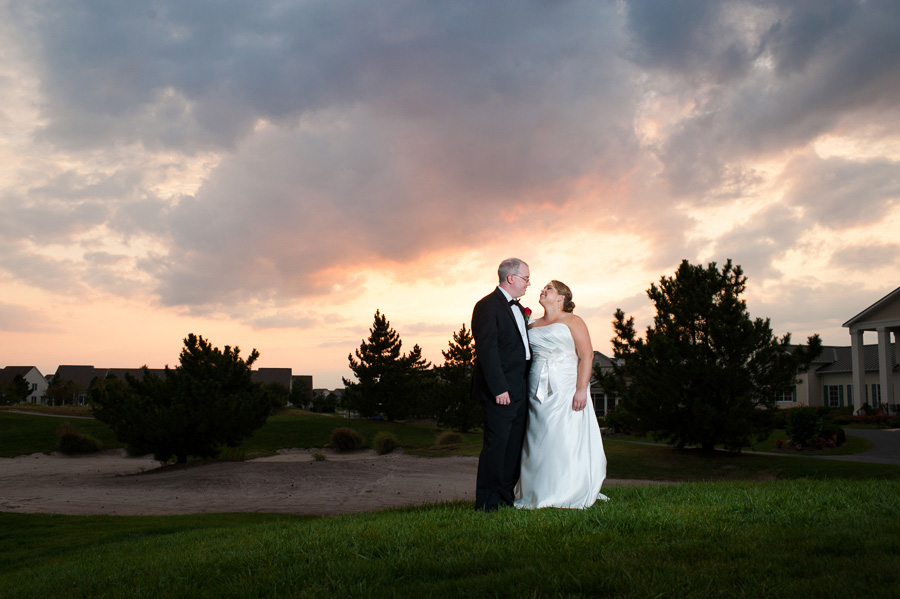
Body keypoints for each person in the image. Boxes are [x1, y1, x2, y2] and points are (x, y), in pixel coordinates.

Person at [515, 280, 607, 509]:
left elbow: (587, 356)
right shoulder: (532, 324)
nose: (543, 290)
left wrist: (580, 389)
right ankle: (535, 491)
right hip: (536, 389)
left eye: (550, 288)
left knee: (563, 436)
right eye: (543, 288)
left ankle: (566, 489)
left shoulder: (573, 321)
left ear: (561, 298)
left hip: (566, 387)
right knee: (537, 437)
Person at [471, 257, 532, 512]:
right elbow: (487, 351)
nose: (528, 284)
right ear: (511, 278)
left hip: (519, 388)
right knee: (496, 447)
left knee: (513, 446)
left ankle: (506, 496)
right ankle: (487, 503)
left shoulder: (517, 308)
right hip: (501, 391)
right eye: (526, 279)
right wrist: (499, 389)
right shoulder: (487, 306)